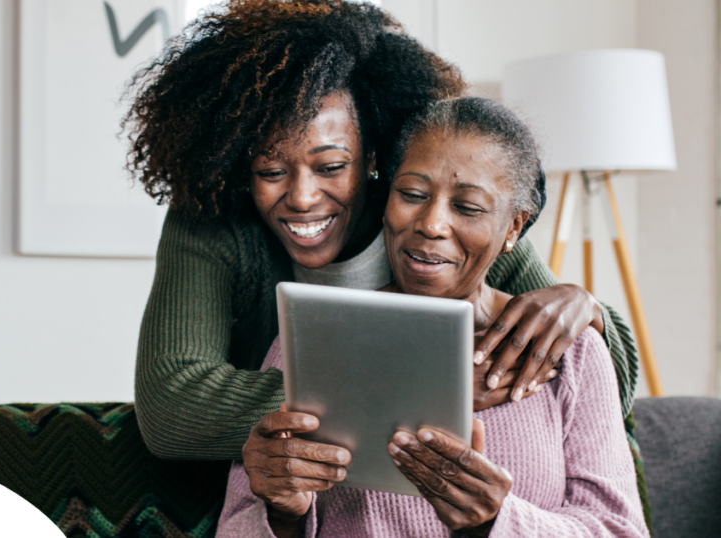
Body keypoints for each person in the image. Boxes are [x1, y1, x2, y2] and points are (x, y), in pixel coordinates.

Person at [125, 0, 639, 464]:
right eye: (271, 171)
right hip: (282, 489)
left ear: (373, 158)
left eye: (331, 167)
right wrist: (422, 389)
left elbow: (606, 386)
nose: (302, 197)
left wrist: (586, 309)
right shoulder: (213, 218)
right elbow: (172, 409)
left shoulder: (439, 220)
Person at [218, 97, 649, 538]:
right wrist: (281, 516)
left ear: (514, 228)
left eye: (467, 208)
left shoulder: (572, 352)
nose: (431, 224)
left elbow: (620, 531)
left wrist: (497, 523)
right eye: (412, 195)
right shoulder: (310, 336)